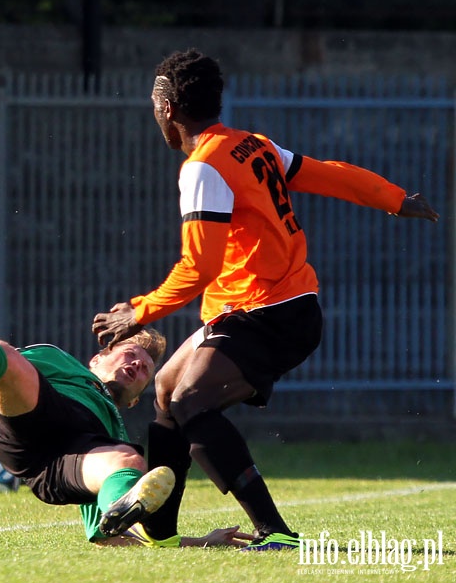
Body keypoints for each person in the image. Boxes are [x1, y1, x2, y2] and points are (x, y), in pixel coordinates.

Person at [91, 48, 440, 551]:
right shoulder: (249, 145)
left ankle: (275, 533)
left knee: (191, 400)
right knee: (167, 391)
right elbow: (324, 171)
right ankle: (160, 532)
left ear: (167, 107)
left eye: (153, 103)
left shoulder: (204, 166)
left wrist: (138, 310)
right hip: (256, 309)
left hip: (273, 313)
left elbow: (199, 267)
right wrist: (393, 197)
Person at [0, 246, 252, 547]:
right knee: (8, 360)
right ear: (97, 359)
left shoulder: (112, 431)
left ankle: (118, 514)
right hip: (34, 417)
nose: (138, 364)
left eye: (146, 370)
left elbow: (110, 541)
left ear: (135, 400)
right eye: (130, 354)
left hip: (58, 465)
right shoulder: (57, 361)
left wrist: (203, 542)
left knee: (129, 461)